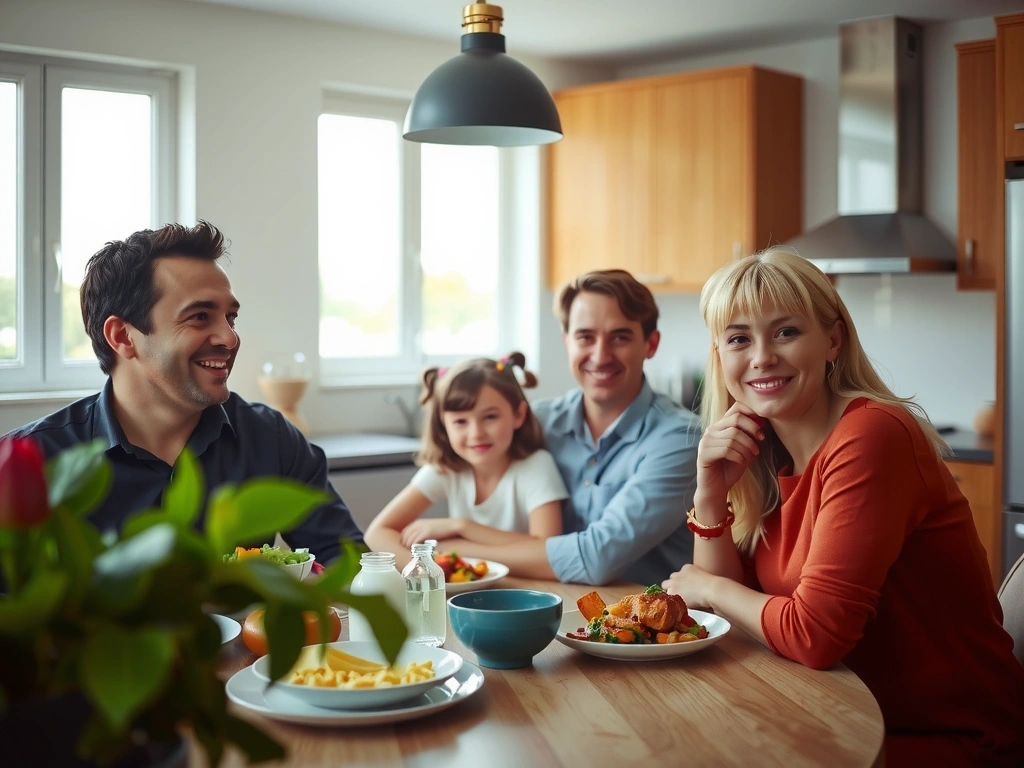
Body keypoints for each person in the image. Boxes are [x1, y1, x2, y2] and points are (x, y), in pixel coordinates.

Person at [663, 247, 1024, 766]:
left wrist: (707, 586)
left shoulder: (872, 436)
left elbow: (815, 636)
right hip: (838, 715)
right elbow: (729, 608)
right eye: (740, 338)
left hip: (948, 739)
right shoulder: (767, 456)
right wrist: (710, 492)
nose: (762, 356)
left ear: (833, 340)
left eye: (785, 332)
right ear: (721, 359)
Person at [4, 221, 362, 564]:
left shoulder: (271, 439)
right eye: (200, 317)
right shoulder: (29, 464)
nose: (230, 338)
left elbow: (348, 562)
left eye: (231, 318)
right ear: (123, 336)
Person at [431, 269, 700, 585]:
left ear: (650, 344)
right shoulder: (534, 422)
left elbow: (596, 558)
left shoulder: (680, 439)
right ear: (566, 341)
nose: (600, 356)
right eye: (585, 337)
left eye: (620, 337)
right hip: (549, 604)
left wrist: (459, 546)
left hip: (648, 624)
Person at [365, 353, 567, 570]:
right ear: (444, 424)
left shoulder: (536, 466)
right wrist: (434, 574)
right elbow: (377, 533)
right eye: (460, 421)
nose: (476, 433)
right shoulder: (445, 469)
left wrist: (462, 529)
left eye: (490, 417)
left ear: (518, 414)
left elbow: (548, 550)